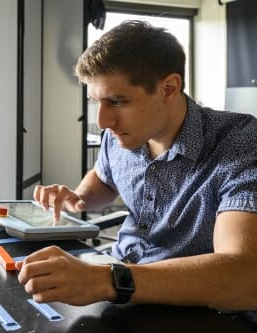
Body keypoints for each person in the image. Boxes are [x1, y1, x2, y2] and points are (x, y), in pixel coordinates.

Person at [15, 20, 257, 316]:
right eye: (97, 102)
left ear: (169, 88)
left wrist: (106, 279)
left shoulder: (241, 143)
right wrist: (78, 197)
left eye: (116, 101)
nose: (103, 122)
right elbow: (105, 180)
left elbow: (245, 278)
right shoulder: (118, 137)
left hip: (196, 312)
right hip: (118, 288)